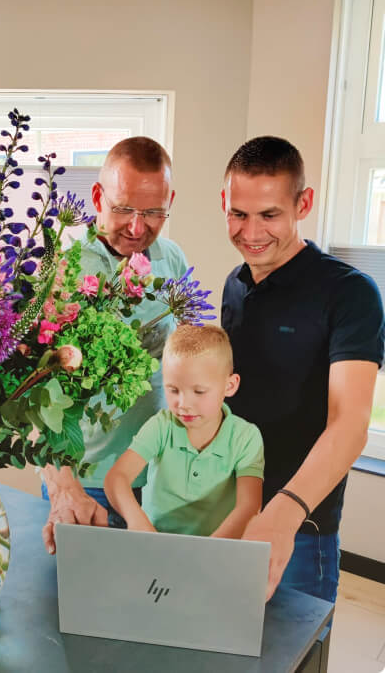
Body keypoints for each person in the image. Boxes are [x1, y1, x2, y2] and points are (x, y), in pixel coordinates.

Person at [221, 135, 385, 602]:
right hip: (230, 512)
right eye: (238, 213)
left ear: (303, 203)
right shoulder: (234, 284)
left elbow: (350, 424)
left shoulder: (350, 293)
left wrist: (282, 515)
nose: (251, 233)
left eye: (269, 215)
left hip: (299, 527)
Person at [41, 137, 188, 554]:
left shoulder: (172, 260)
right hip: (86, 485)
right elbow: (34, 389)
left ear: (169, 201)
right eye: (123, 208)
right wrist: (63, 487)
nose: (137, 228)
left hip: (157, 479)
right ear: (97, 197)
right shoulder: (65, 268)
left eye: (153, 212)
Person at [104, 325, 264, 538]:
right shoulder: (161, 426)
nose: (183, 404)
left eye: (198, 391)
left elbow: (250, 506)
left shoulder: (246, 437)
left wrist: (208, 551)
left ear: (230, 385)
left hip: (214, 555)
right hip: (155, 550)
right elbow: (117, 478)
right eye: (173, 390)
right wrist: (137, 523)